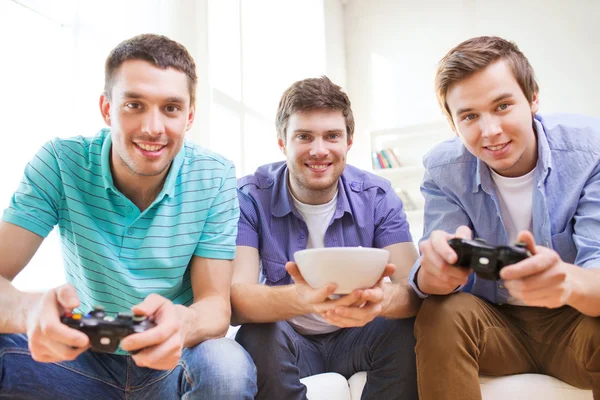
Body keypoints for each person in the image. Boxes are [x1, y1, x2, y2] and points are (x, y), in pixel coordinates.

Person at [0, 34, 256, 399]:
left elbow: (215, 304)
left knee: (227, 364)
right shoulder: (60, 162)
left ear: (189, 116)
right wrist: (31, 313)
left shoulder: (213, 176)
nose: (153, 128)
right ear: (107, 109)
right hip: (78, 361)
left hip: (170, 361)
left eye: (170, 108)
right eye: (135, 105)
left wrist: (184, 323)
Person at [410, 35, 600, 399]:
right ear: (453, 123)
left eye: (502, 106)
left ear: (533, 99)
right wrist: (434, 273)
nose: (490, 131)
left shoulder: (590, 152)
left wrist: (566, 281)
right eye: (469, 116)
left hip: (576, 322)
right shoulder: (442, 170)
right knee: (441, 311)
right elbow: (432, 276)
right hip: (496, 326)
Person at [232, 76, 420, 399]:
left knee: (408, 330)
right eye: (304, 136)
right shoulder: (250, 196)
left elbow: (414, 290)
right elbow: (236, 299)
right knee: (256, 334)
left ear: (349, 141)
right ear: (282, 141)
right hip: (289, 338)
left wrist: (381, 301)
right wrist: (302, 299)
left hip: (360, 333)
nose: (319, 150)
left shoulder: (377, 196)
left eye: (332, 136)